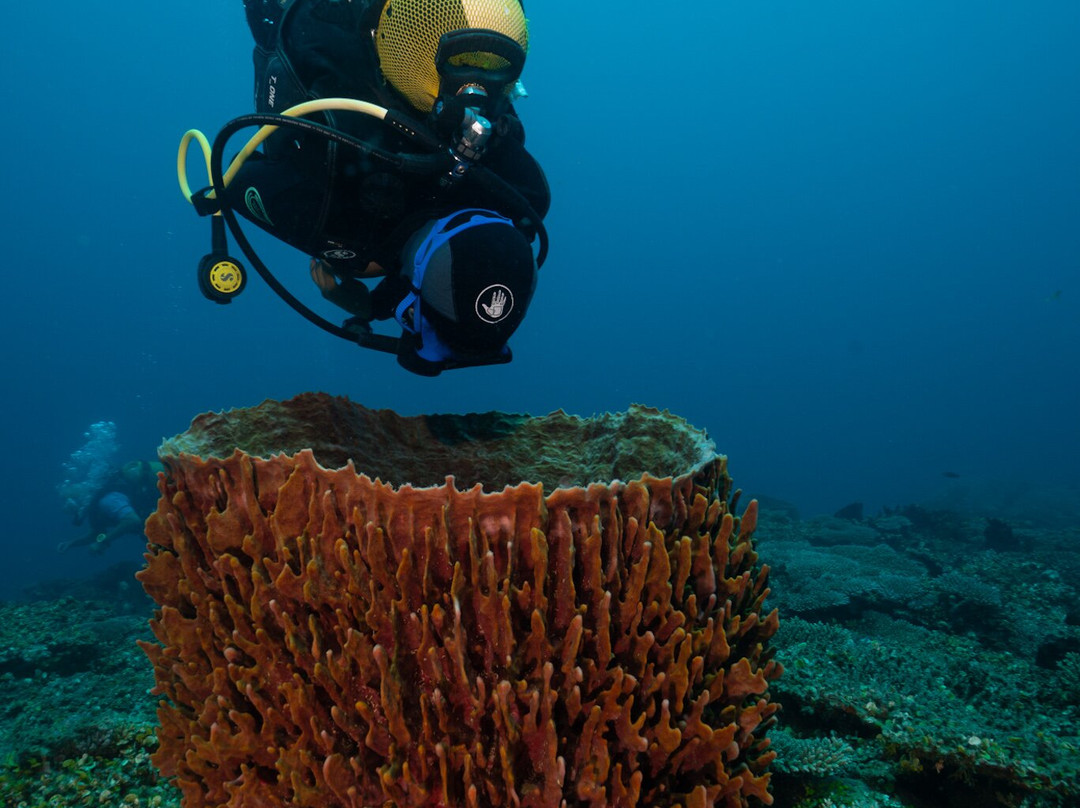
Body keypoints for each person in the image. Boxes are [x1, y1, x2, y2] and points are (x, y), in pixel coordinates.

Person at [208, 0, 550, 375]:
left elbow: (432, 263)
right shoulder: (342, 221)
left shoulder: (525, 196)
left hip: (417, 24)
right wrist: (357, 263)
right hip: (311, 26)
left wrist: (373, 302)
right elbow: (237, 181)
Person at [57, 461, 163, 554]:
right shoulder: (94, 508)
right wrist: (71, 543)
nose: (78, 513)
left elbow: (132, 520)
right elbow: (96, 533)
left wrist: (104, 542)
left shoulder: (107, 500)